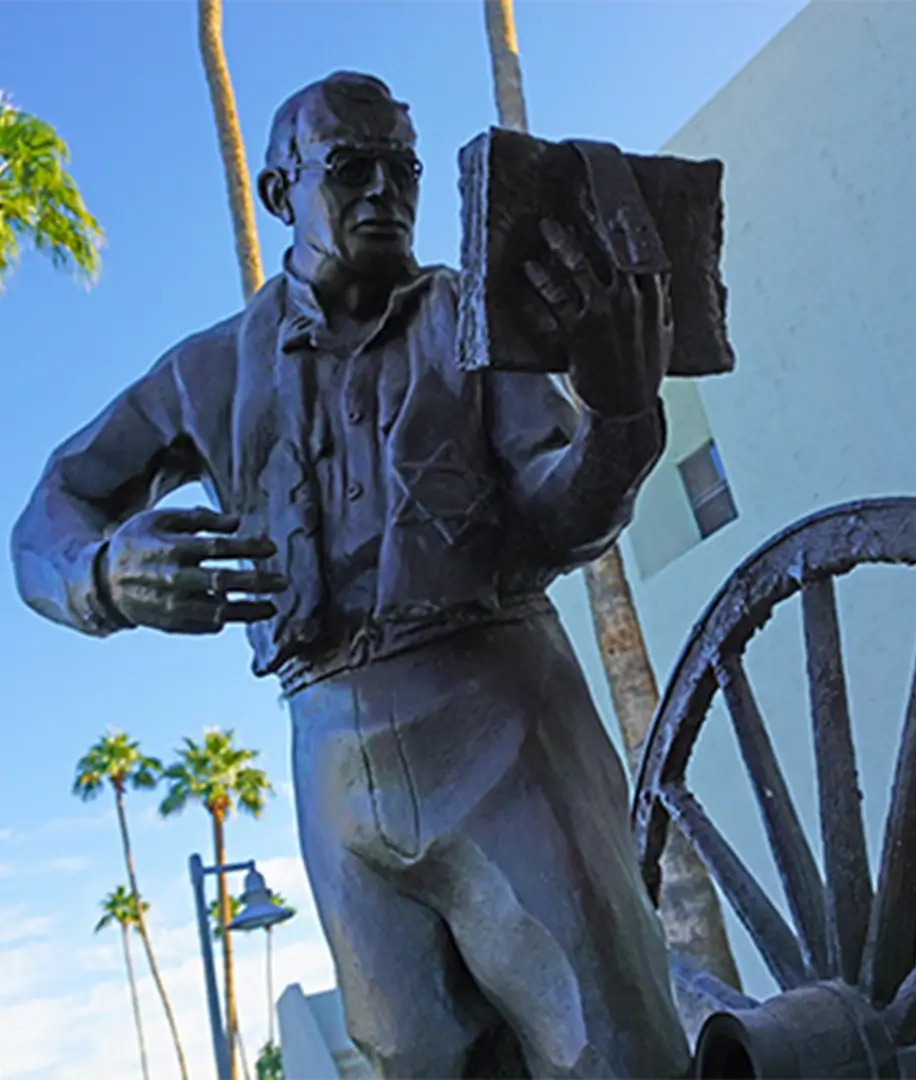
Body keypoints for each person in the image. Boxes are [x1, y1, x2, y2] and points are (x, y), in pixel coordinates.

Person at [11, 72, 691, 1079]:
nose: (384, 190)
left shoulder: (475, 324)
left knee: (616, 1053)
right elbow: (45, 519)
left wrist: (622, 424)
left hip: (508, 728)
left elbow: (555, 514)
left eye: (400, 169)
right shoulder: (206, 373)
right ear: (282, 190)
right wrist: (105, 574)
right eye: (350, 167)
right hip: (332, 776)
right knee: (413, 1061)